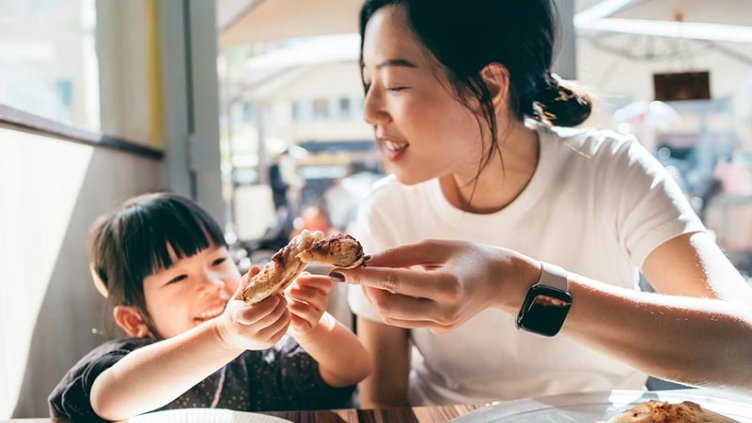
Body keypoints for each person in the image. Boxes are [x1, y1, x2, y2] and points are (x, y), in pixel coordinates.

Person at [330, 0, 752, 408]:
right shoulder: (386, 210)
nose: (369, 112)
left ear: (490, 86)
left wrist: (515, 284)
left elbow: (745, 349)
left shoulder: (610, 170)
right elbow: (382, 401)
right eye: (368, 84)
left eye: (395, 85)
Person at [48, 193, 371, 421]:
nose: (214, 283)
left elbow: (354, 368)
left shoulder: (260, 361)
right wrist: (223, 335)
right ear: (134, 320)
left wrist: (311, 327)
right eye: (178, 278)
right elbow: (109, 398)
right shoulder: (127, 362)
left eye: (218, 261)